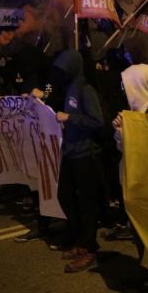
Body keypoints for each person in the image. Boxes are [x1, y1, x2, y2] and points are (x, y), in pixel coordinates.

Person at [52, 49, 105, 273]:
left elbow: (97, 121)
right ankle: (79, 241)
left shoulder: (85, 89)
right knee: (65, 197)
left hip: (86, 155)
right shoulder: (69, 87)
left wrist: (70, 118)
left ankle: (89, 248)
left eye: (64, 69)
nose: (60, 73)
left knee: (86, 205)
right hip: (70, 153)